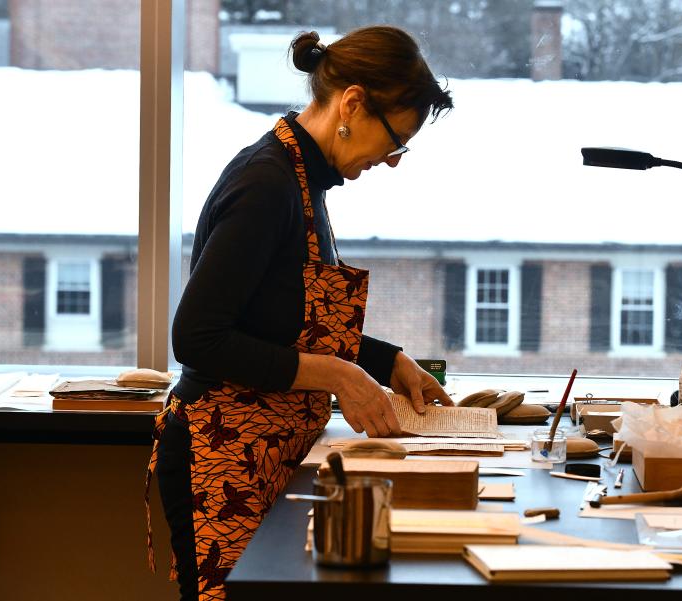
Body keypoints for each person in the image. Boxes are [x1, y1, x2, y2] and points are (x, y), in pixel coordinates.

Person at [144, 26, 454, 601]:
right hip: (223, 454)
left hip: (267, 450)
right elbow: (198, 337)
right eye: (395, 140)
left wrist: (389, 362)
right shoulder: (267, 183)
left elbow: (286, 321)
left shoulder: (304, 180)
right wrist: (338, 376)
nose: (392, 161)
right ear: (353, 103)